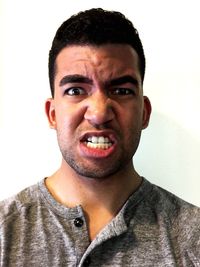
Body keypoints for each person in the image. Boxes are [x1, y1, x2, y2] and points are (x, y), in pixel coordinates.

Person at [0, 8, 199, 267]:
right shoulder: (5, 232)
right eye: (75, 90)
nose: (99, 113)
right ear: (52, 114)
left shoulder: (193, 238)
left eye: (121, 90)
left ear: (144, 113)